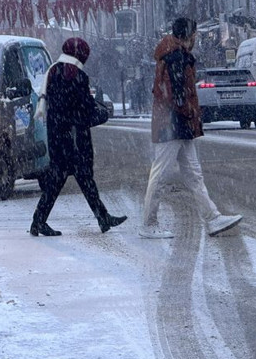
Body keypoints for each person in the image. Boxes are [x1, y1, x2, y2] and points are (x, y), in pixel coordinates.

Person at [139, 17, 242, 239]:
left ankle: (212, 218)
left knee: (193, 174)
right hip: (172, 124)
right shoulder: (176, 57)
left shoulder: (174, 54)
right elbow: (177, 94)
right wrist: (189, 113)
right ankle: (149, 223)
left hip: (177, 124)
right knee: (160, 174)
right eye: (194, 33)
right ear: (189, 35)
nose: (196, 37)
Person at [30, 37, 127, 236]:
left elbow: (60, 107)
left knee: (70, 179)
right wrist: (100, 114)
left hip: (58, 135)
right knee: (76, 178)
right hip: (74, 138)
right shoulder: (76, 75)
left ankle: (101, 217)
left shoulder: (53, 72)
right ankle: (100, 217)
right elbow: (84, 109)